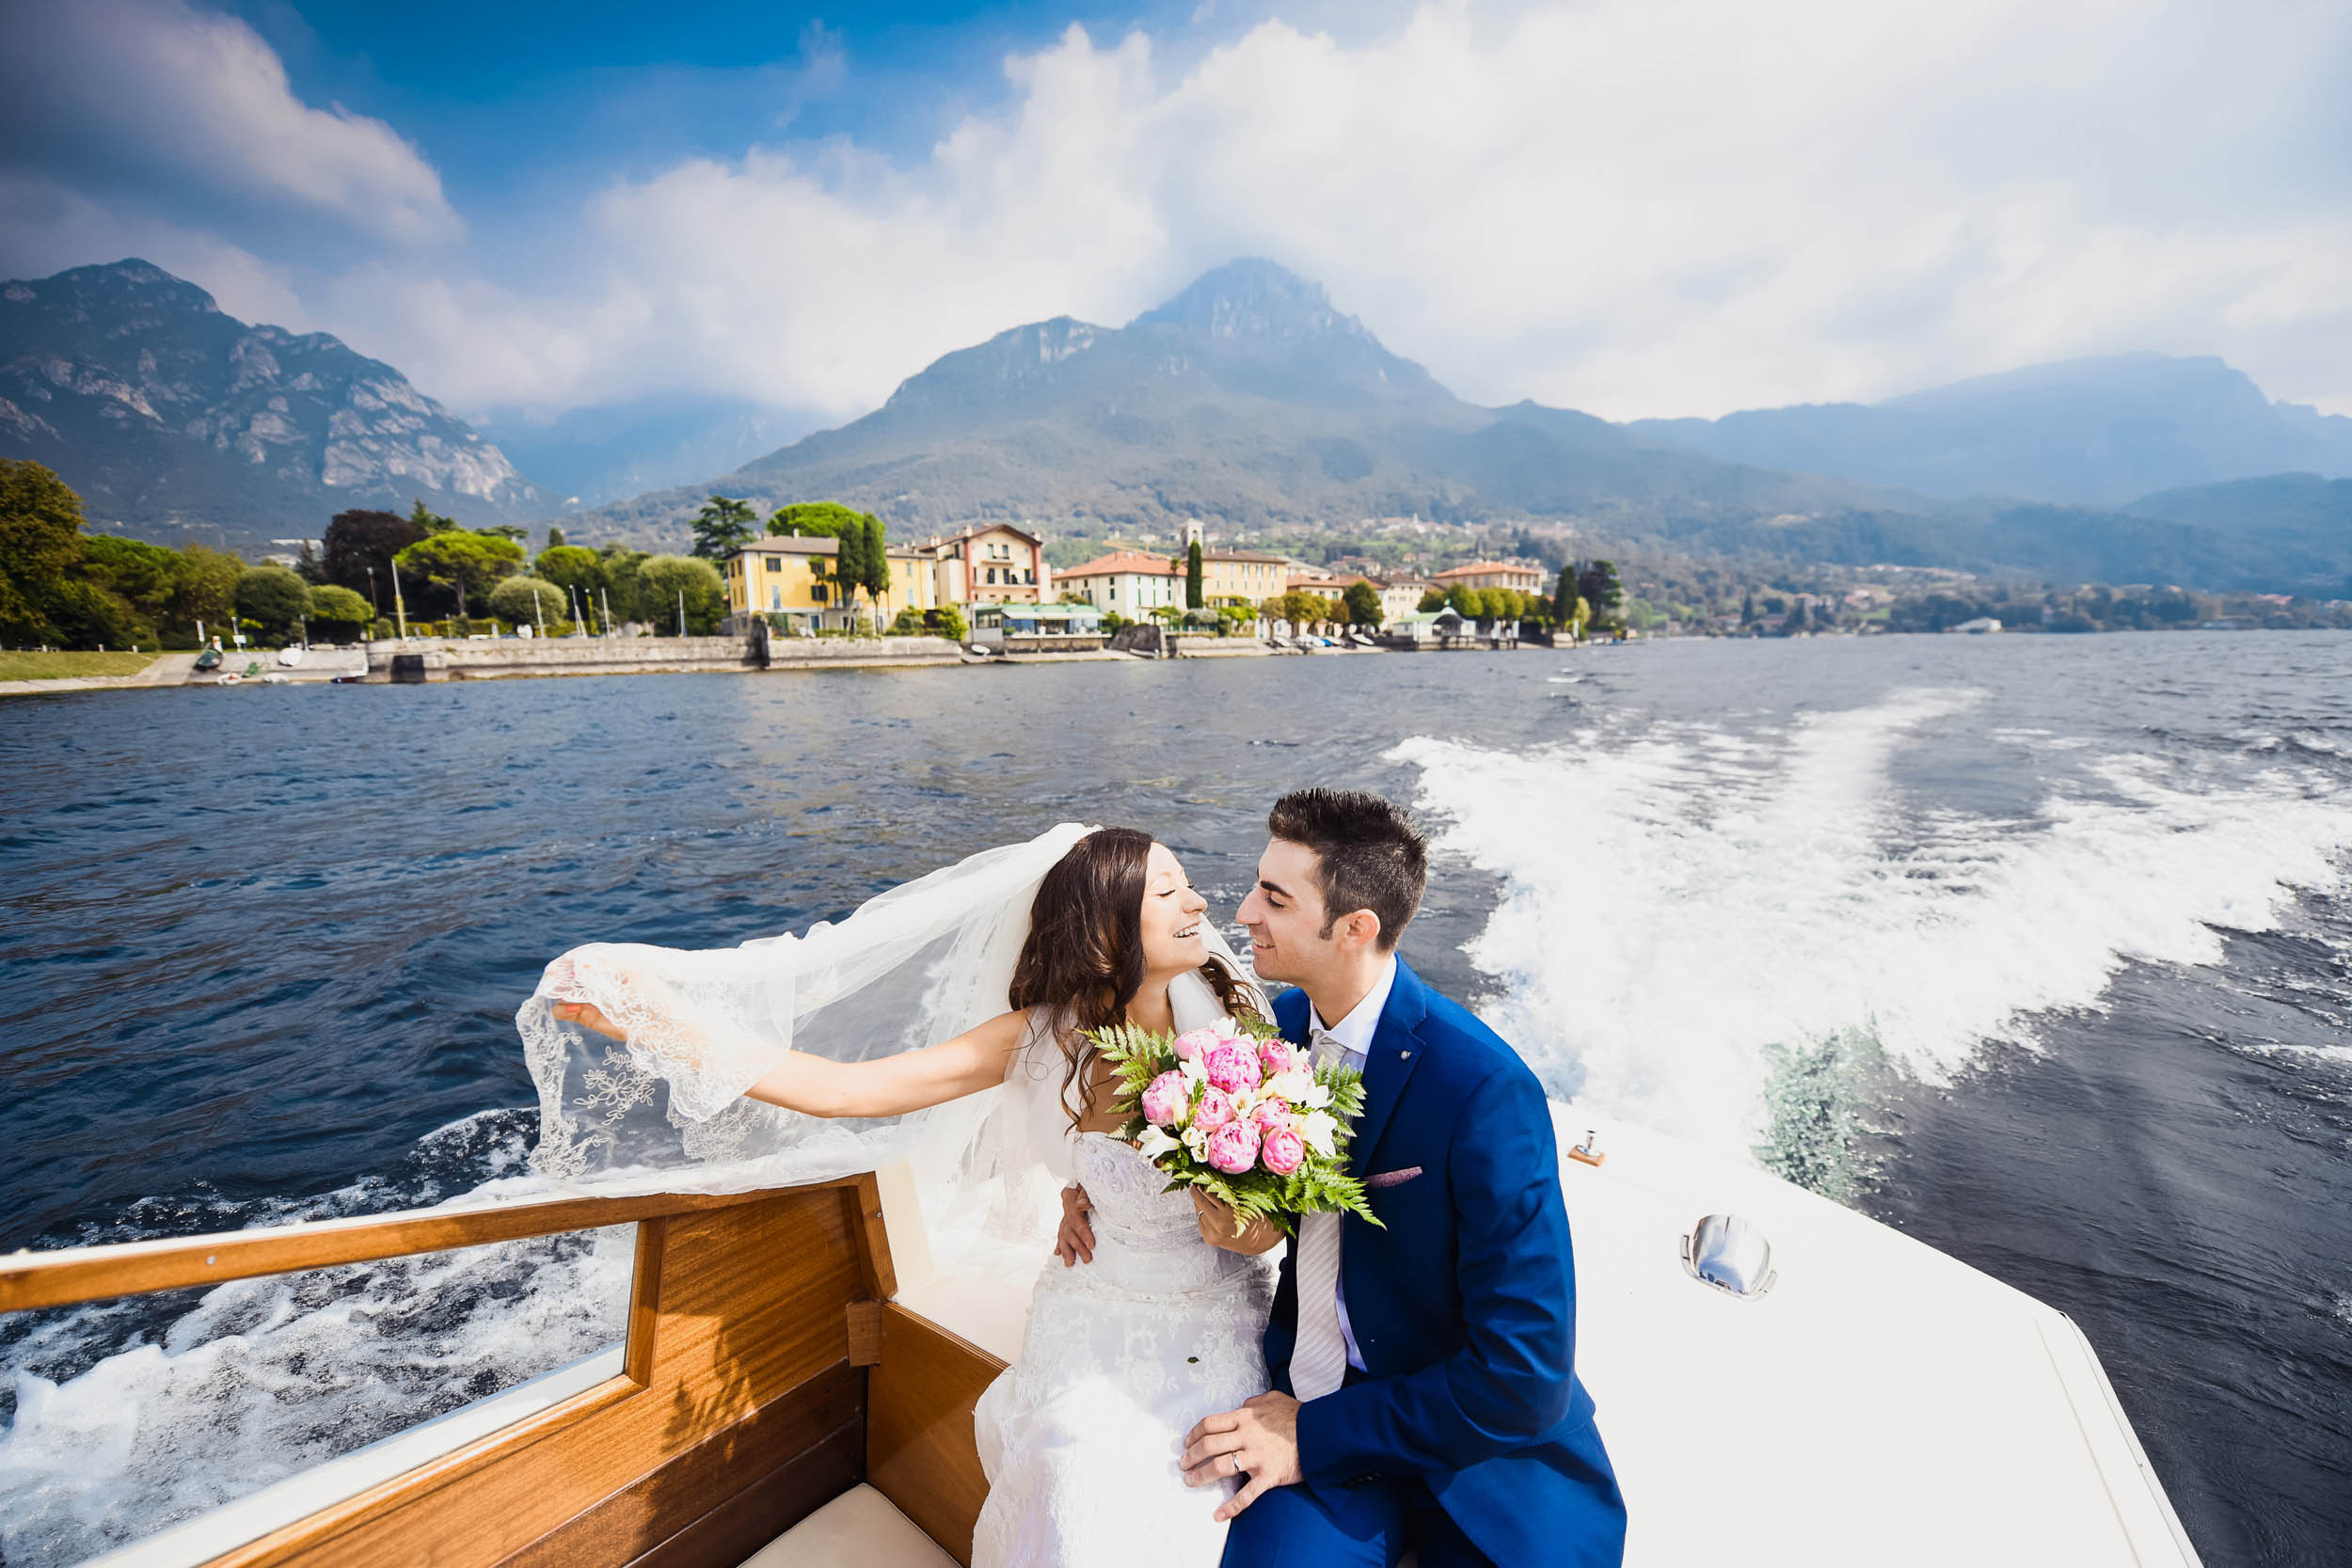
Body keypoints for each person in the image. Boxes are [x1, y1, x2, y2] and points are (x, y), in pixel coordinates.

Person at [542, 827, 1285, 1568]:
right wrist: (656, 1025)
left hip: (1218, 1314)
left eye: (1188, 885)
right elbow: (846, 1089)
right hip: (1096, 1311)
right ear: (1107, 930)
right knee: (1077, 1478)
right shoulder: (1046, 1037)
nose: (1199, 903)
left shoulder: (1239, 1032)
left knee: (1199, 1501)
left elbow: (1277, 1225)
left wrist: (1238, 1225)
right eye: (1168, 891)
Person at [1175, 788, 1626, 1568]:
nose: (1243, 911)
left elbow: (1524, 1373)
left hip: (1483, 1460)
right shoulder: (1277, 1034)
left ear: (1356, 928)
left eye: (1275, 898)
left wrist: (1313, 1434)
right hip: (1315, 1410)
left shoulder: (1484, 1090)